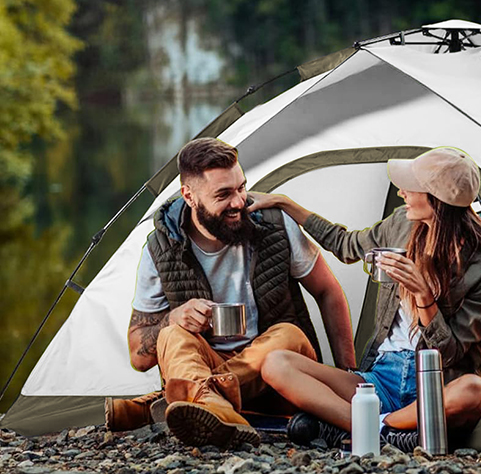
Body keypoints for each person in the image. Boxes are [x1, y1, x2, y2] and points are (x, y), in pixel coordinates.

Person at [248, 146, 481, 452]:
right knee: (276, 364)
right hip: (381, 378)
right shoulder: (401, 224)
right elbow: (345, 244)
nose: (401, 192)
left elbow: (451, 355)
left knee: (474, 391)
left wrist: (423, 295)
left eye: (410, 187)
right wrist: (286, 203)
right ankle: (386, 431)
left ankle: (356, 427)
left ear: (435, 200)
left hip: (435, 385)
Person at [108, 137, 356, 448]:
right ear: (189, 196)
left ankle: (180, 399)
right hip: (207, 362)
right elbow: (138, 356)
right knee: (171, 334)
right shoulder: (161, 248)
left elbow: (328, 291)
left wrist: (350, 377)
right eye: (224, 194)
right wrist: (174, 317)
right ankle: (214, 406)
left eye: (241, 187)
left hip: (279, 374)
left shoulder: (275, 224)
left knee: (288, 335)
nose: (239, 202)